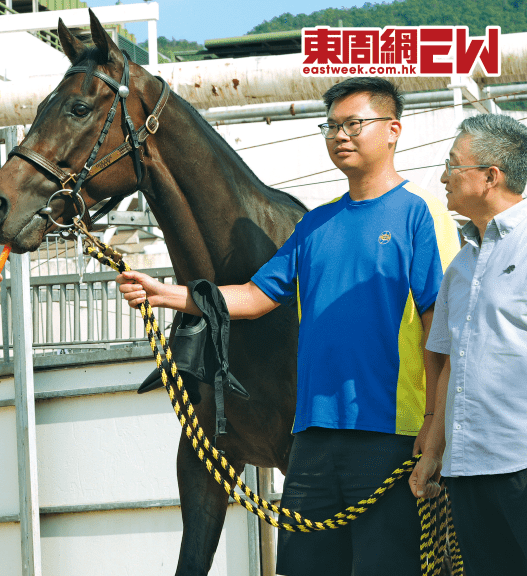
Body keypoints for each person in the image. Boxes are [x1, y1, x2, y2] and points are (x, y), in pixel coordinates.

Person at [116, 77, 459, 576]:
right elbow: (254, 297)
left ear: (392, 131)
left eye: (353, 124)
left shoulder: (420, 213)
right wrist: (163, 292)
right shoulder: (316, 224)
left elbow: (439, 332)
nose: (340, 135)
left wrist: (434, 426)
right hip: (312, 439)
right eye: (331, 126)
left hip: (392, 434)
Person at [408, 113, 527, 575]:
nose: (443, 176)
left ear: (491, 176)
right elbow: (453, 366)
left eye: (452, 164)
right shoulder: (460, 266)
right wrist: (435, 451)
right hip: (468, 469)